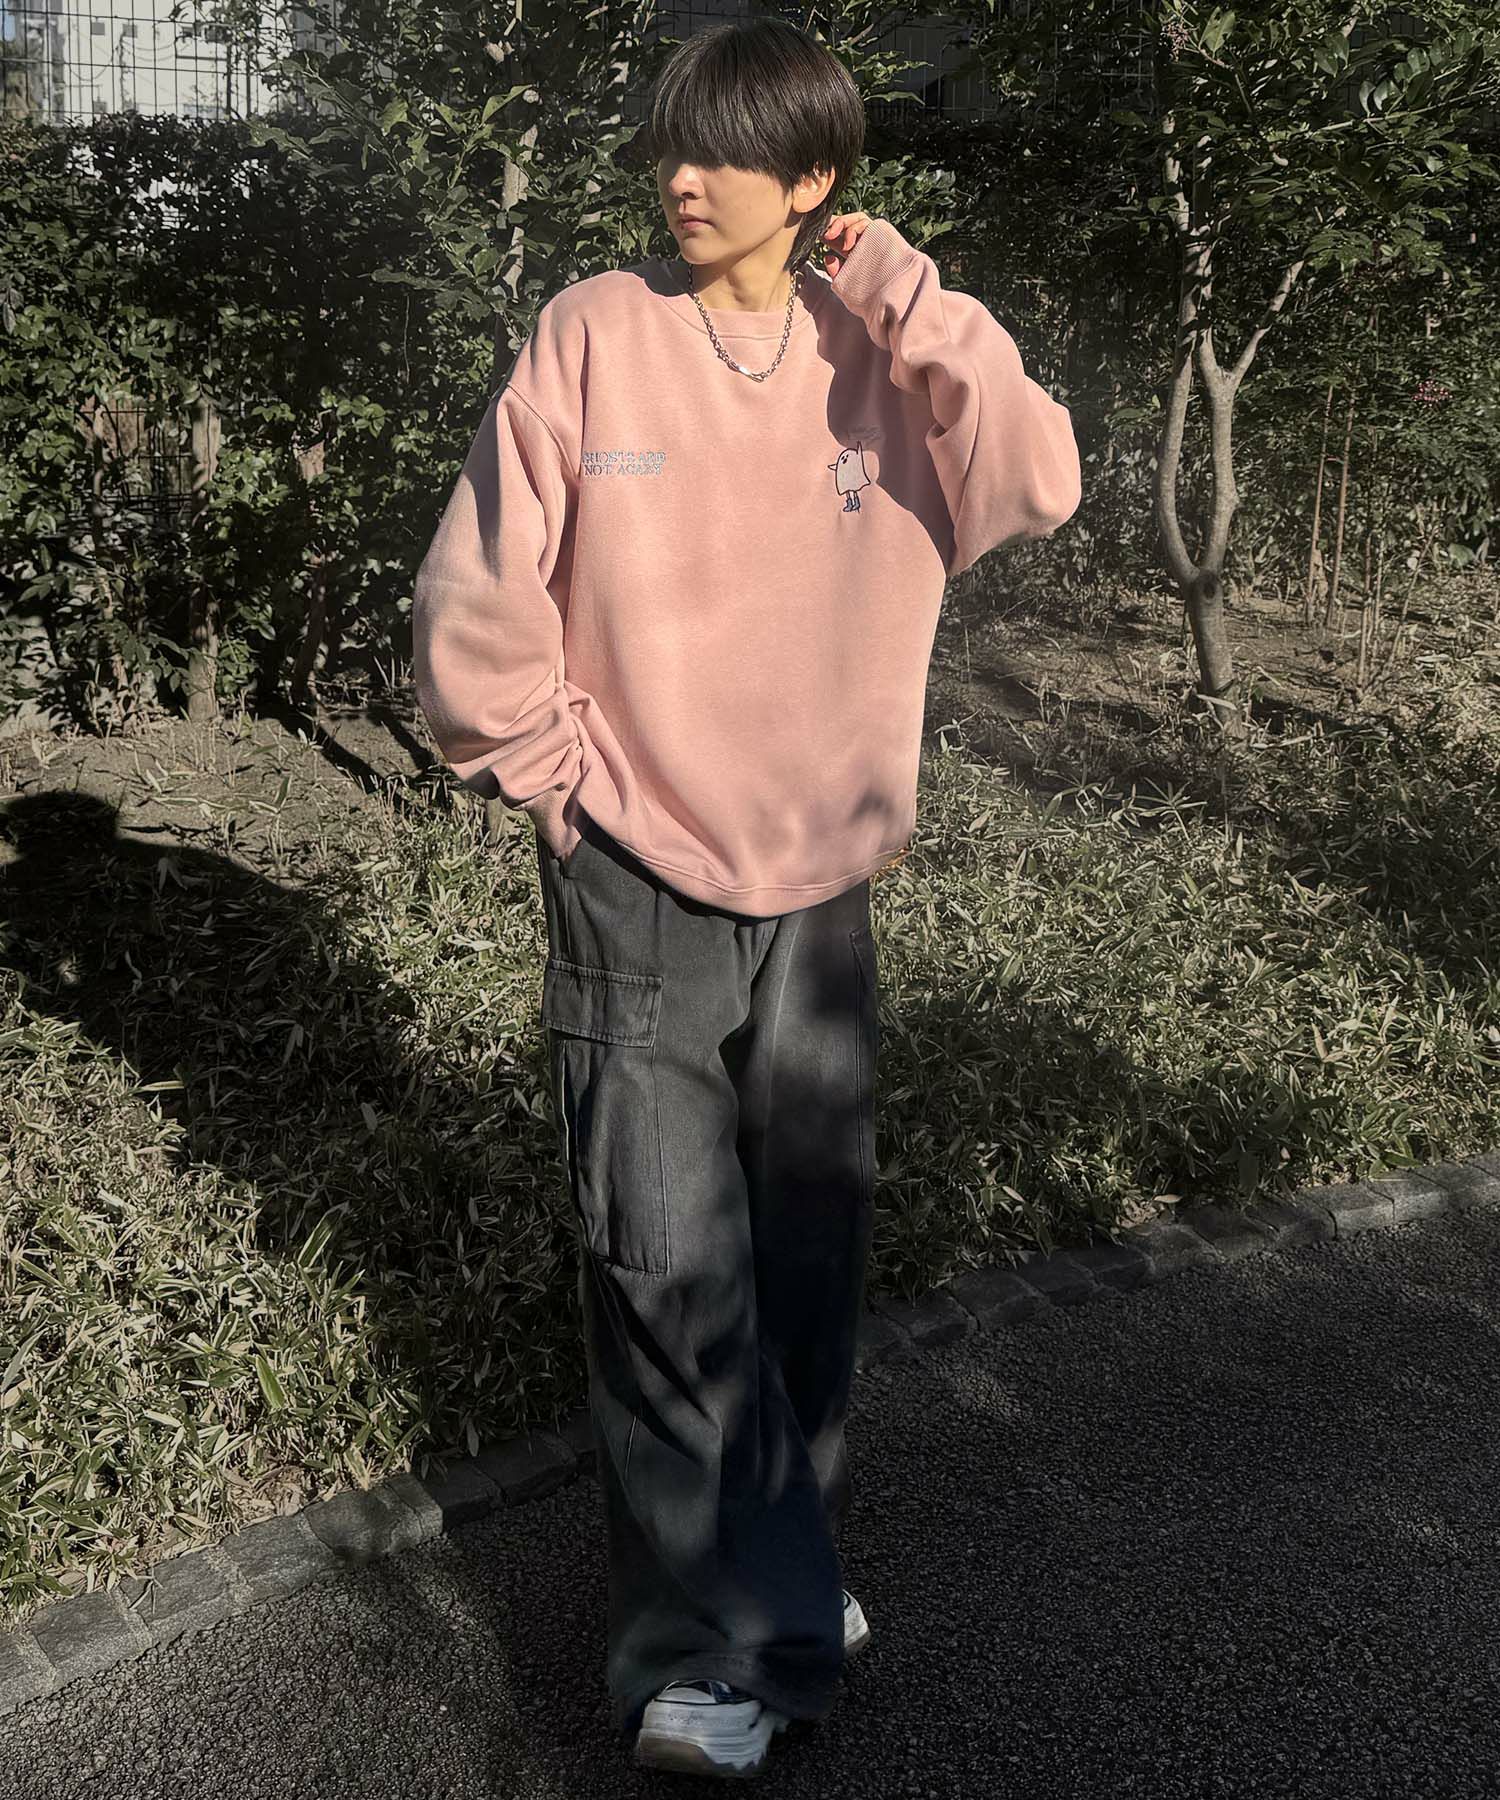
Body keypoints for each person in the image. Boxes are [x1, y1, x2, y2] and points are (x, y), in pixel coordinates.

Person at [411, 15, 1081, 1781]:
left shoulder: (885, 351)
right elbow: (480, 590)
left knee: (804, 1256)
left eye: (727, 153)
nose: (684, 179)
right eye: (672, 146)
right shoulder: (595, 332)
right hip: (633, 869)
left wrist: (908, 290)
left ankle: (776, 1576)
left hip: (826, 879)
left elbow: (1040, 477)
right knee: (659, 1259)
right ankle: (715, 1649)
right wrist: (556, 781)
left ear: (815, 182)